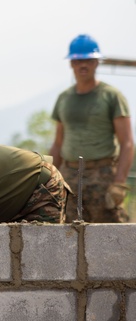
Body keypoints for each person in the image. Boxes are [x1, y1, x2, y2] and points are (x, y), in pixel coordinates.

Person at [50, 34, 133, 223]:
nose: (83, 65)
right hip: (69, 177)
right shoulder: (64, 99)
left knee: (108, 235)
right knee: (70, 235)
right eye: (78, 61)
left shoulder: (111, 96)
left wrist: (119, 183)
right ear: (71, 64)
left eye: (88, 60)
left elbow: (127, 143)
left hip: (102, 176)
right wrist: (49, 178)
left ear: (97, 62)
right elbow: (58, 143)